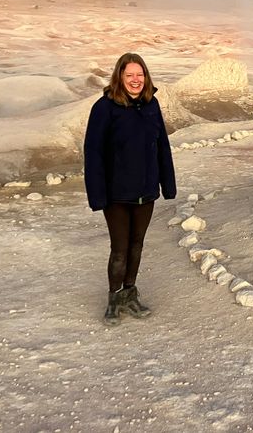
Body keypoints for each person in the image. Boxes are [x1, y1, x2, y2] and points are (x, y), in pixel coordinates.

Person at [83, 53, 176, 325]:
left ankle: (130, 293)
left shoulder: (151, 104)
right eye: (129, 75)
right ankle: (114, 298)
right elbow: (93, 152)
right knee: (120, 249)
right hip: (116, 194)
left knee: (137, 245)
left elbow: (162, 147)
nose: (135, 80)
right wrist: (97, 195)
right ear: (119, 77)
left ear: (145, 77)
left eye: (140, 75)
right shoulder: (105, 108)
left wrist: (167, 185)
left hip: (145, 191)